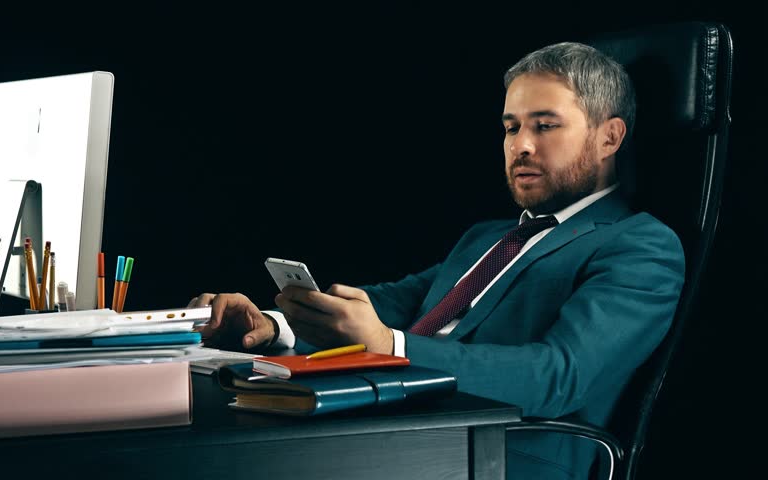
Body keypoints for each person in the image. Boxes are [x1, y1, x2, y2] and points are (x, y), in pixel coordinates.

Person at [189, 42, 684, 480]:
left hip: (496, 454)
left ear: (609, 137)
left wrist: (389, 345)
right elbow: (395, 302)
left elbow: (558, 376)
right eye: (511, 127)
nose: (521, 145)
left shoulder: (640, 245)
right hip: (394, 425)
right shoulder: (489, 237)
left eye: (545, 125)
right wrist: (274, 325)